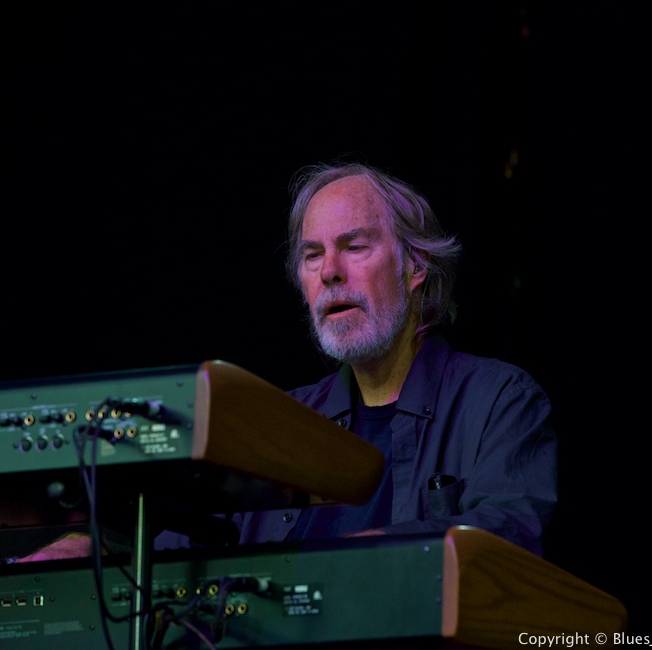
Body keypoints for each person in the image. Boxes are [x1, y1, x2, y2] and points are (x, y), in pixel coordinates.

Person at [230, 160, 557, 556]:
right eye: (312, 255)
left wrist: (373, 555)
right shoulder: (278, 423)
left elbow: (509, 536)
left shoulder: (500, 401)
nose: (329, 271)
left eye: (354, 247)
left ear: (415, 265)